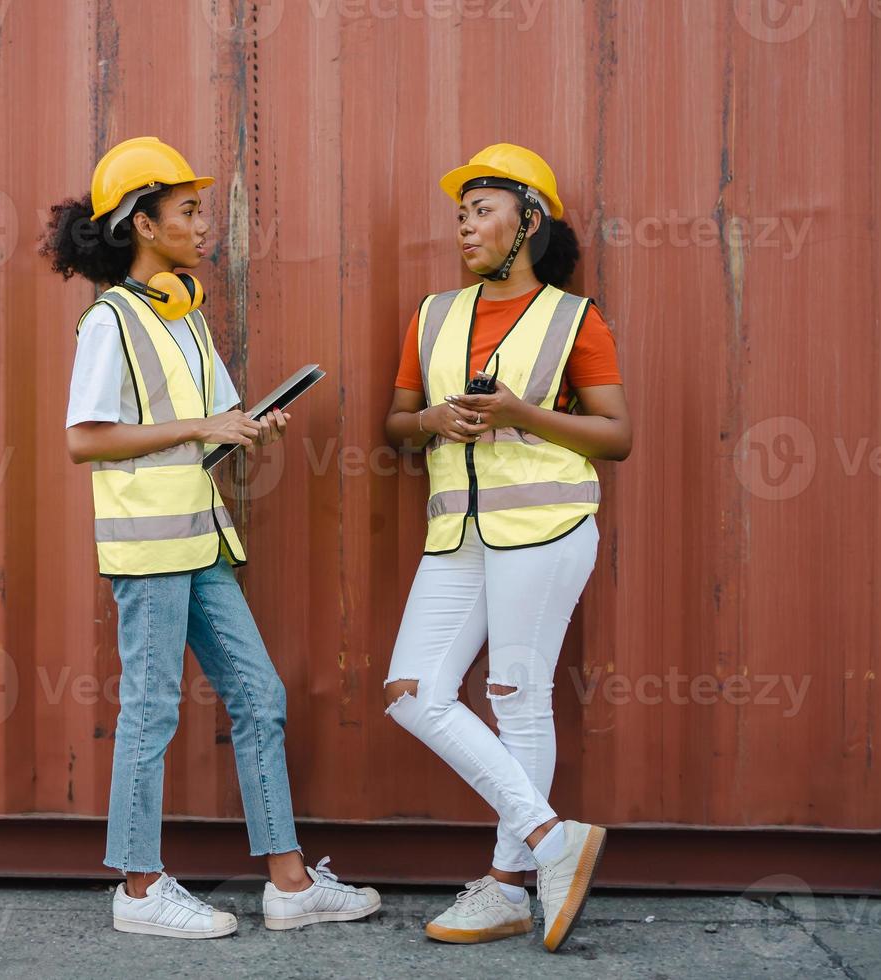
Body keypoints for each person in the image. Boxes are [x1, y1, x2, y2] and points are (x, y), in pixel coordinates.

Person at [41, 136, 380, 940]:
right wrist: (201, 425)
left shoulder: (186, 318)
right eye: (188, 210)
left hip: (201, 541)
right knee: (152, 711)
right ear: (142, 224)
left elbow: (206, 436)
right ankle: (138, 888)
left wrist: (247, 430)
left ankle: (290, 886)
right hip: (151, 549)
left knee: (261, 697)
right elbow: (85, 439)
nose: (203, 225)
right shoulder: (109, 322)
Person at [380, 143, 633, 953]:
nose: (465, 225)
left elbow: (617, 435)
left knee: (517, 696)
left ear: (530, 221)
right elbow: (396, 423)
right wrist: (428, 423)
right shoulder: (432, 314)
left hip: (547, 528)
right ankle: (555, 839)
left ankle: (507, 887)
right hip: (456, 532)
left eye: (482, 210)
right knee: (413, 691)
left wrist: (525, 414)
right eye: (459, 214)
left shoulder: (575, 317)